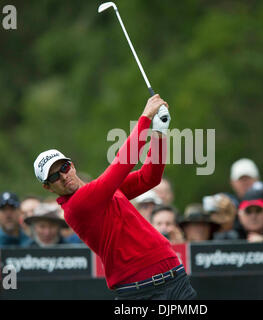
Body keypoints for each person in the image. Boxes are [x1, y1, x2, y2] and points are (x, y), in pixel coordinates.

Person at [33, 94, 196, 300]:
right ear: (48, 187)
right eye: (55, 176)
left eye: (64, 167)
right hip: (140, 293)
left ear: (72, 165)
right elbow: (121, 164)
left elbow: (149, 178)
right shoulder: (77, 206)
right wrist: (145, 118)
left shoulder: (102, 192)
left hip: (175, 281)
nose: (64, 176)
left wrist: (159, 134)